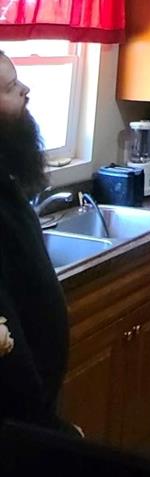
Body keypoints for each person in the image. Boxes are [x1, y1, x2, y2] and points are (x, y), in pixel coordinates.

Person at [0, 49, 73, 430]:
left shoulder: (5, 181)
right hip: (20, 428)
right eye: (11, 87)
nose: (25, 90)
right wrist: (49, 429)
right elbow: (4, 342)